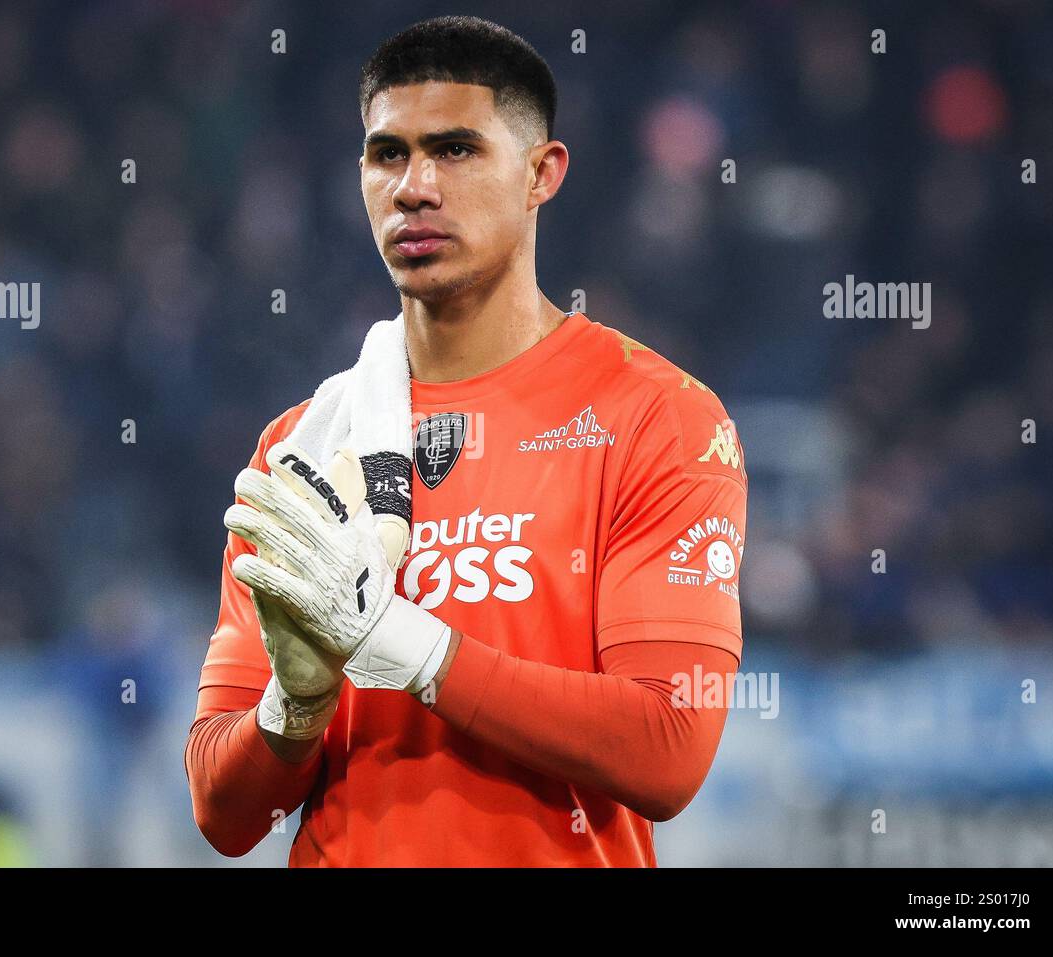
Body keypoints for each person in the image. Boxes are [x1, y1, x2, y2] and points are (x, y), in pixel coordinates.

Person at [185, 15, 747, 867]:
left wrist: (404, 647)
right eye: (387, 154)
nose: (414, 187)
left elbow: (667, 746)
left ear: (540, 174)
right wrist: (293, 711)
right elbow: (222, 815)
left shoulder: (656, 416)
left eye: (455, 150)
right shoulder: (302, 446)